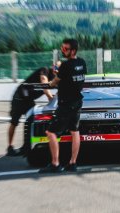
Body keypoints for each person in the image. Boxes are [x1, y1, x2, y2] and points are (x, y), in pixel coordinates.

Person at [39, 38, 87, 173]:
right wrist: (60, 74)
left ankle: (55, 164)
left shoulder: (66, 66)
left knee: (51, 132)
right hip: (78, 101)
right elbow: (75, 78)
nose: (63, 51)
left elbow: (54, 83)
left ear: (73, 50)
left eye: (65, 49)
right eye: (62, 48)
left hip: (66, 104)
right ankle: (73, 163)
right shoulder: (82, 62)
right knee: (74, 131)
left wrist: (52, 80)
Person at [7, 67, 56, 156]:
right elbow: (44, 82)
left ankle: (26, 146)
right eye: (57, 68)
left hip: (29, 100)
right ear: (53, 68)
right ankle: (10, 147)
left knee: (32, 121)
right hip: (19, 97)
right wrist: (50, 97)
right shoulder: (45, 70)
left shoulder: (56, 78)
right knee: (14, 122)